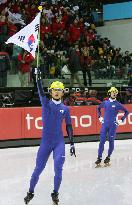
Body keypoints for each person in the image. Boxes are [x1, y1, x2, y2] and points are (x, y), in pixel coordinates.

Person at [24, 68, 76, 205]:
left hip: (59, 142)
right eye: (55, 89)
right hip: (46, 143)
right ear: (51, 91)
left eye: (60, 90)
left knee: (58, 168)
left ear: (63, 92)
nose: (57, 92)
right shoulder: (45, 103)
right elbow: (40, 91)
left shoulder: (66, 109)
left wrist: (72, 143)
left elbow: (69, 126)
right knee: (38, 169)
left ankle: (55, 193)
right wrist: (38, 77)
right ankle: (30, 191)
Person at [95, 87, 129, 166]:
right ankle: (99, 158)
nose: (114, 93)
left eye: (115, 92)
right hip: (105, 125)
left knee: (111, 141)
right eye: (112, 92)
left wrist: (121, 120)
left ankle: (108, 157)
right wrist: (99, 117)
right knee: (101, 141)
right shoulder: (105, 102)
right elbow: (98, 108)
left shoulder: (118, 104)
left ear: (116, 94)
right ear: (109, 93)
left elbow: (127, 111)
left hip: (113, 126)